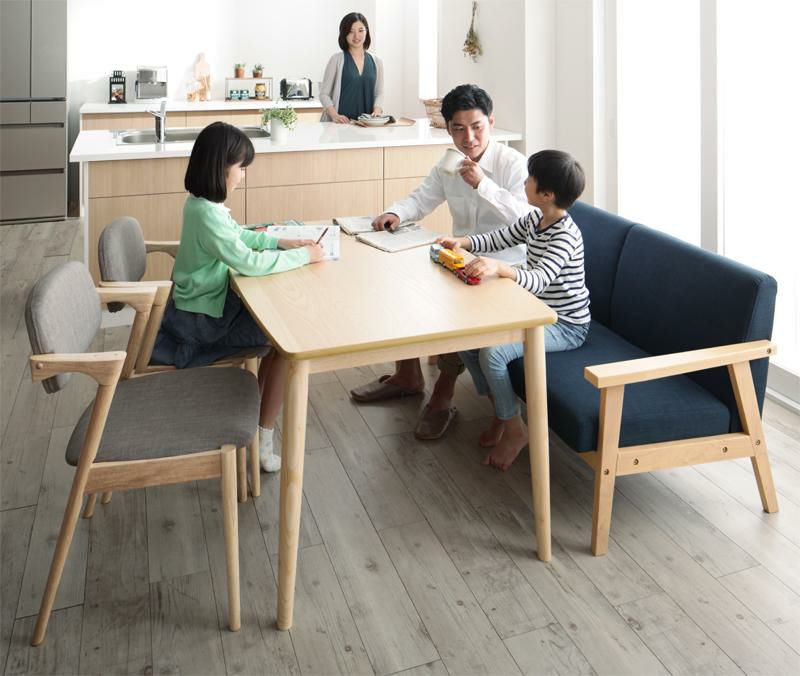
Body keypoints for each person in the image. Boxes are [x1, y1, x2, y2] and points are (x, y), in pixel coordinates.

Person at [349, 83, 533, 441]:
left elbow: (526, 220)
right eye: (459, 128)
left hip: (505, 270)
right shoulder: (449, 162)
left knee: (455, 306)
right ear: (447, 128)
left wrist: (483, 185)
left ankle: (442, 397)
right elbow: (422, 198)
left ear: (491, 122)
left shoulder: (512, 164)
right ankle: (407, 375)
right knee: (402, 284)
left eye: (477, 127)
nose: (469, 137)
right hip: (461, 259)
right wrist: (395, 213)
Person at [152, 121, 324, 472]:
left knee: (276, 335)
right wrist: (304, 256)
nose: (243, 176)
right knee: (283, 340)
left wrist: (279, 241)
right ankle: (261, 437)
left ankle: (257, 424)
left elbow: (238, 235)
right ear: (221, 168)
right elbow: (249, 262)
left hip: (199, 308)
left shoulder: (201, 204)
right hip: (200, 324)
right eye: (240, 168)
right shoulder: (206, 213)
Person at [440, 149, 590, 470]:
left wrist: (500, 268)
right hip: (534, 311)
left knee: (493, 354)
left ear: (547, 195)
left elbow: (538, 279)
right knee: (468, 341)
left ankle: (514, 430)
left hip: (565, 325)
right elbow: (501, 237)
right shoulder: (536, 218)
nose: (525, 181)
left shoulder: (565, 235)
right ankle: (502, 411)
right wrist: (463, 242)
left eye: (531, 179)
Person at [319, 12, 384, 123]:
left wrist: (377, 111)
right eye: (351, 31)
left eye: (360, 30)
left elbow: (379, 93)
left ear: (367, 32)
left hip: (366, 124)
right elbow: (324, 94)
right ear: (344, 34)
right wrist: (335, 115)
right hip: (341, 124)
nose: (356, 36)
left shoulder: (377, 61)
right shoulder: (336, 60)